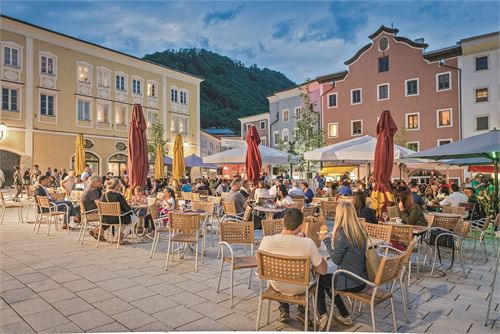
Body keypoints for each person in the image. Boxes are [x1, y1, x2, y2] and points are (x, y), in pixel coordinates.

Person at [258, 208, 327, 324]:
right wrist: (322, 260)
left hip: (277, 285)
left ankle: (284, 309)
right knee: (313, 272)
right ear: (300, 226)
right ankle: (303, 310)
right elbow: (323, 271)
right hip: (301, 287)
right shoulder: (308, 243)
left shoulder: (266, 241)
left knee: (280, 270)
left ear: (282, 222)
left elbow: (260, 266)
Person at [316, 201, 368, 329]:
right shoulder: (360, 229)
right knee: (330, 281)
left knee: (319, 279)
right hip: (362, 280)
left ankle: (323, 314)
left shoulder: (344, 233)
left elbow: (335, 260)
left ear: (340, 214)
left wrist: (326, 240)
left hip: (350, 281)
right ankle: (345, 316)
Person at [92, 178, 137, 243]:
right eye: (119, 184)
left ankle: (118, 236)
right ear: (116, 186)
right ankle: (120, 236)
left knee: (128, 218)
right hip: (117, 219)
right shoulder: (119, 196)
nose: (120, 186)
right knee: (134, 219)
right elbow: (128, 209)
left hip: (105, 219)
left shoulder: (104, 196)